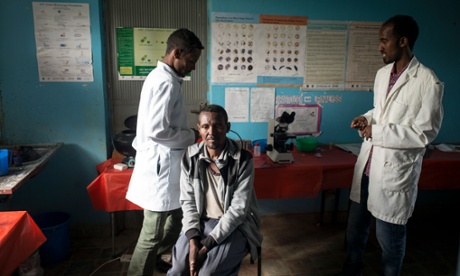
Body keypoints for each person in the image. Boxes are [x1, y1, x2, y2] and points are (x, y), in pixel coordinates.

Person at [343, 15, 444, 275]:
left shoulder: (427, 81)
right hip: (367, 167)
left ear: (403, 41)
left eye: (384, 41)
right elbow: (382, 110)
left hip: (393, 174)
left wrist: (376, 131)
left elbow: (424, 133)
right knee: (354, 233)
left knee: (389, 241)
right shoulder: (382, 74)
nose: (380, 47)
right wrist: (366, 118)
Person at [126, 28, 204, 275]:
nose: (192, 67)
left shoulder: (165, 79)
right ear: (177, 53)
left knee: (177, 219)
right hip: (160, 169)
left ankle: (160, 257)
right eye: (191, 61)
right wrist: (192, 135)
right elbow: (157, 131)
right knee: (151, 233)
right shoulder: (165, 83)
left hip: (168, 166)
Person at [167, 104, 263, 276]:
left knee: (207, 272)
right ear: (199, 129)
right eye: (205, 126)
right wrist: (193, 240)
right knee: (178, 270)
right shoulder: (190, 157)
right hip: (201, 222)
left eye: (218, 126)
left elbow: (238, 210)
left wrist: (207, 246)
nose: (211, 132)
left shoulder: (242, 160)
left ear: (227, 127)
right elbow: (187, 202)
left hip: (234, 225)